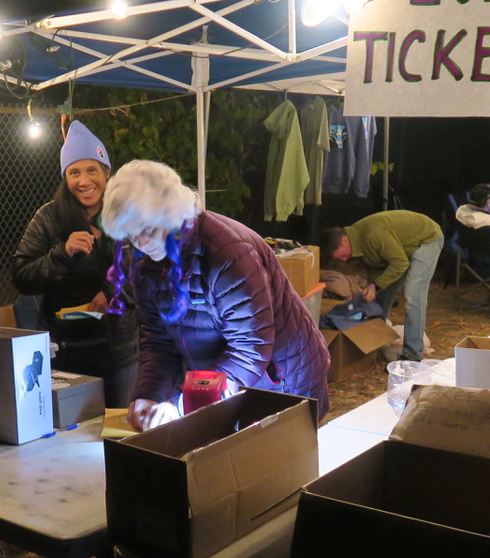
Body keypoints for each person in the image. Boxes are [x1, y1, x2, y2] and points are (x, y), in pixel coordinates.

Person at [100, 159, 330, 430]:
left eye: (148, 230)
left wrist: (181, 403)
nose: (141, 243)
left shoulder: (228, 253)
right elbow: (158, 342)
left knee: (276, 461)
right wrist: (148, 396)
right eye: (131, 235)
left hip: (281, 379)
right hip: (225, 382)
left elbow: (250, 347)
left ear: (170, 214)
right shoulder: (143, 262)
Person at [12, 120, 138, 407]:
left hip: (118, 350)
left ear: (107, 173)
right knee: (66, 436)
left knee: (118, 432)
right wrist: (61, 253)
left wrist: (113, 292)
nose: (84, 181)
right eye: (74, 172)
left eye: (92, 170)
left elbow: (148, 269)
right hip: (63, 349)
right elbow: (21, 275)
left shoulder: (127, 214)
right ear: (65, 178)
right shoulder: (48, 217)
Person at [320, 210, 443, 361]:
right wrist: (373, 289)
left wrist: (375, 286)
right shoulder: (358, 241)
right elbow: (376, 268)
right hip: (404, 248)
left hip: (427, 238)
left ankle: (412, 355)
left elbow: (400, 264)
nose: (344, 260)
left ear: (344, 241)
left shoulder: (373, 235)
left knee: (413, 295)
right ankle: (376, 339)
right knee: (381, 293)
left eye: (343, 255)